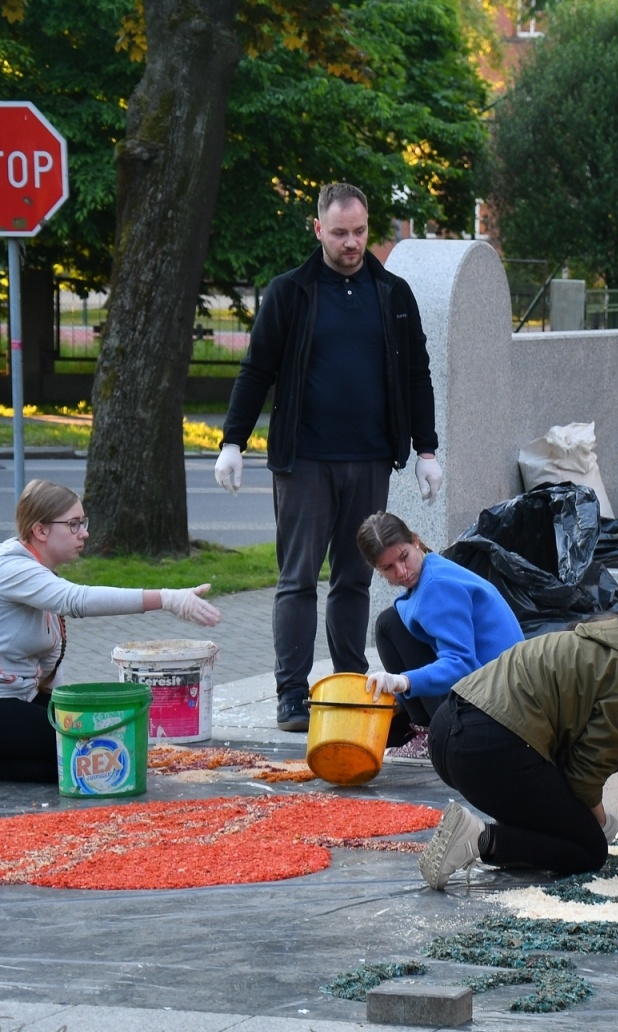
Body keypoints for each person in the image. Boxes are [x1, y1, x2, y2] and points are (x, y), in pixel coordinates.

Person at [214, 181, 443, 733]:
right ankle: (292, 695)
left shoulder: (392, 295)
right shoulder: (290, 293)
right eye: (340, 233)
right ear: (318, 229)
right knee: (297, 579)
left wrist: (427, 448)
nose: (352, 243)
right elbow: (256, 370)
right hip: (304, 461)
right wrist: (231, 441)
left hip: (369, 459)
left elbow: (416, 375)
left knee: (355, 580)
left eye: (360, 232)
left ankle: (349, 686)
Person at [417, 586, 618, 889]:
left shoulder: (613, 637)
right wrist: (602, 824)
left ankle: (493, 839)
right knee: (588, 849)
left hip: (447, 728)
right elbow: (583, 777)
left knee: (565, 827)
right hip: (485, 747)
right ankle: (480, 839)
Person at [0, 480, 221, 782]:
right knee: (81, 762)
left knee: (104, 751)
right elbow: (77, 600)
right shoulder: (11, 571)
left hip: (8, 699)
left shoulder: (41, 575)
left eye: (83, 522)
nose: (85, 533)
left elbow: (50, 668)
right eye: (74, 524)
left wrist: (69, 713)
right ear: (40, 530)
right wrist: (167, 598)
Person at [356, 511, 524, 758]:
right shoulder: (430, 568)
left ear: (415, 540)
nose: (402, 572)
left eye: (404, 557)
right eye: (388, 567)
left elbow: (462, 664)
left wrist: (403, 681)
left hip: (495, 708)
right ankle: (420, 728)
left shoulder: (436, 585)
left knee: (388, 625)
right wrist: (397, 701)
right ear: (376, 569)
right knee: (390, 623)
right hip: (494, 692)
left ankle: (426, 736)